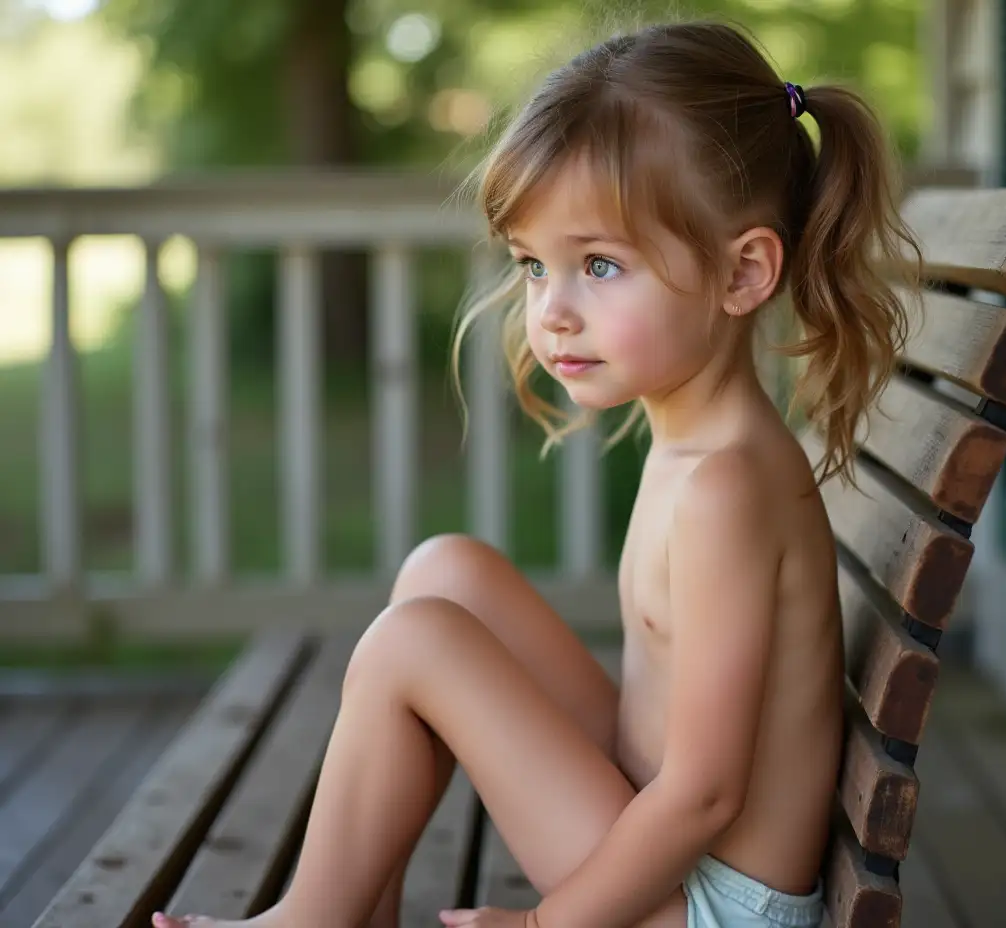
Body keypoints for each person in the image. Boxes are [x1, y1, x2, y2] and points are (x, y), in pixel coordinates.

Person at [152, 17, 919, 928]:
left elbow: (707, 797)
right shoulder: (704, 444)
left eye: (598, 264)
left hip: (714, 906)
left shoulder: (728, 488)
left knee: (413, 643)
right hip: (669, 839)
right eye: (531, 265)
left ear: (743, 271)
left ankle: (312, 920)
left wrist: (541, 926)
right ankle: (357, 906)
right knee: (447, 571)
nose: (550, 311)